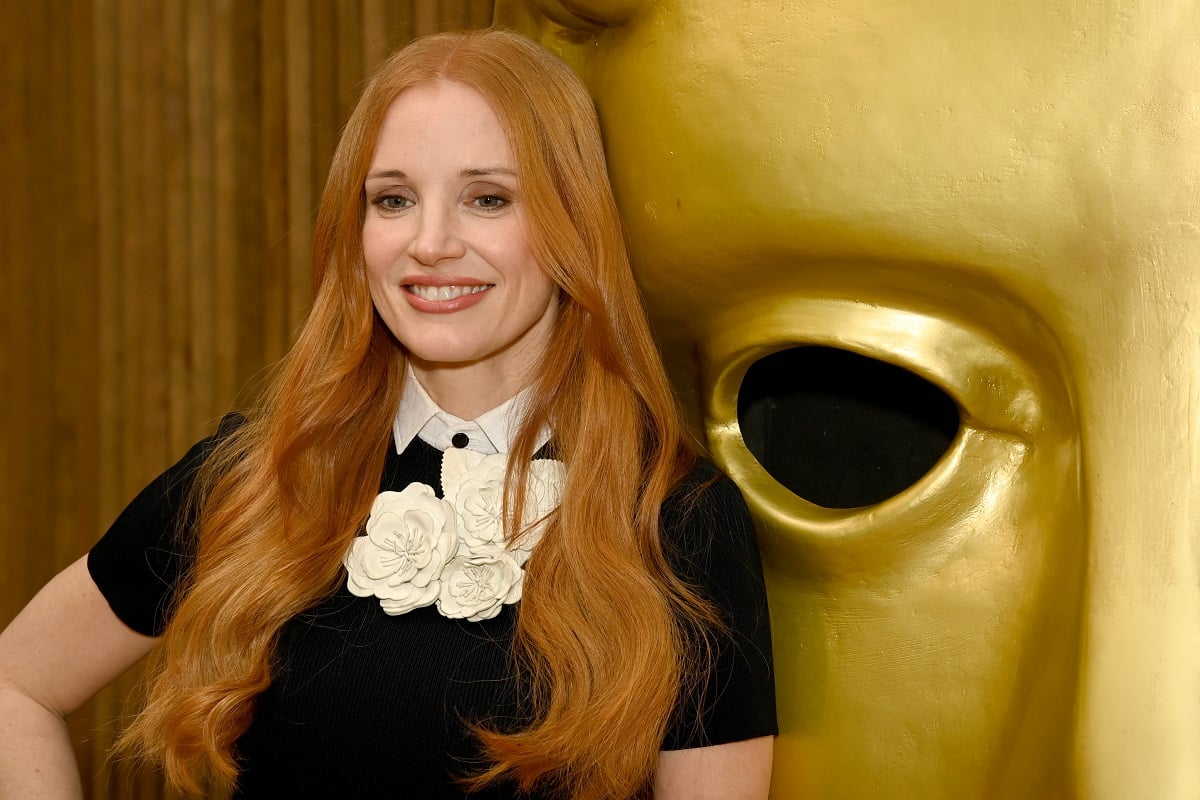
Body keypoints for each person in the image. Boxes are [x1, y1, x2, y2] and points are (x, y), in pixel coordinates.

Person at [0, 28, 775, 800]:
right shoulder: (257, 477)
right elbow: (17, 688)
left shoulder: (678, 520)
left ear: (574, 224)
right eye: (394, 200)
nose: (430, 243)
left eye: (488, 198)